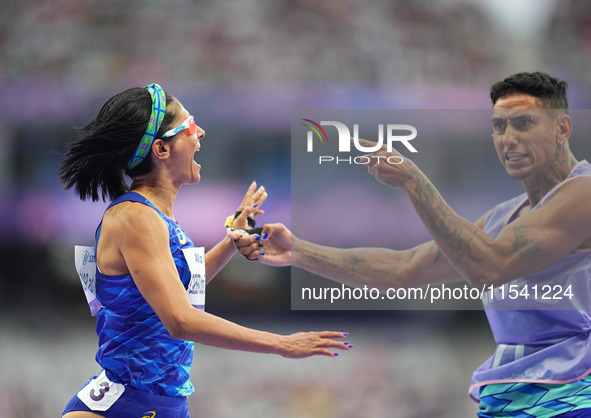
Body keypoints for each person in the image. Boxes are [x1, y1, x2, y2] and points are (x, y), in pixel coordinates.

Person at [232, 72, 591, 417]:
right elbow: (404, 269)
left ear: (562, 128)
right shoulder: (503, 217)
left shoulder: (584, 192)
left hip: (574, 391)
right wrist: (299, 251)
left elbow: (491, 267)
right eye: (499, 126)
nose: (508, 138)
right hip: (518, 392)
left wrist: (415, 183)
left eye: (524, 123)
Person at [58, 83, 351, 418]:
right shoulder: (135, 218)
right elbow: (180, 320)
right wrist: (281, 344)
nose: (202, 133)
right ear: (161, 149)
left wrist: (231, 240)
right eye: (191, 127)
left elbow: (179, 293)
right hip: (121, 406)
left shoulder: (157, 219)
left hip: (164, 407)